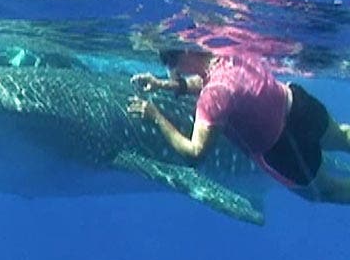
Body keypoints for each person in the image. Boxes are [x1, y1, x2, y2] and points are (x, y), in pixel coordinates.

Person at [127, 49, 350, 203]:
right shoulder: (228, 51)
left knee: (325, 191)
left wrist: (155, 116)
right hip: (299, 104)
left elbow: (194, 153)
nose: (169, 67)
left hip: (283, 148)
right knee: (342, 135)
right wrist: (164, 85)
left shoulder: (212, 97)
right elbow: (219, 82)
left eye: (168, 61)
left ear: (184, 52)